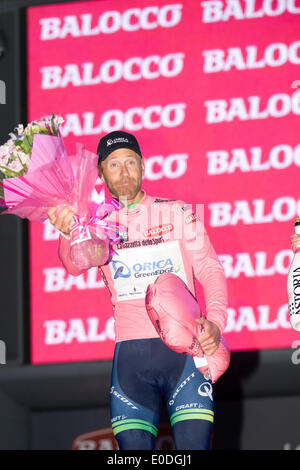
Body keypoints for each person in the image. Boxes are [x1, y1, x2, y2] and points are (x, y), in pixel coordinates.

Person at [47, 130, 228, 450]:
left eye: (130, 162)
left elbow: (210, 268)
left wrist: (215, 321)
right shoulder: (96, 224)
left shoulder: (177, 212)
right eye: (114, 164)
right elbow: (75, 265)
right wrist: (67, 233)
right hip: (131, 362)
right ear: (101, 173)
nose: (124, 171)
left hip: (187, 354)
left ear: (143, 166)